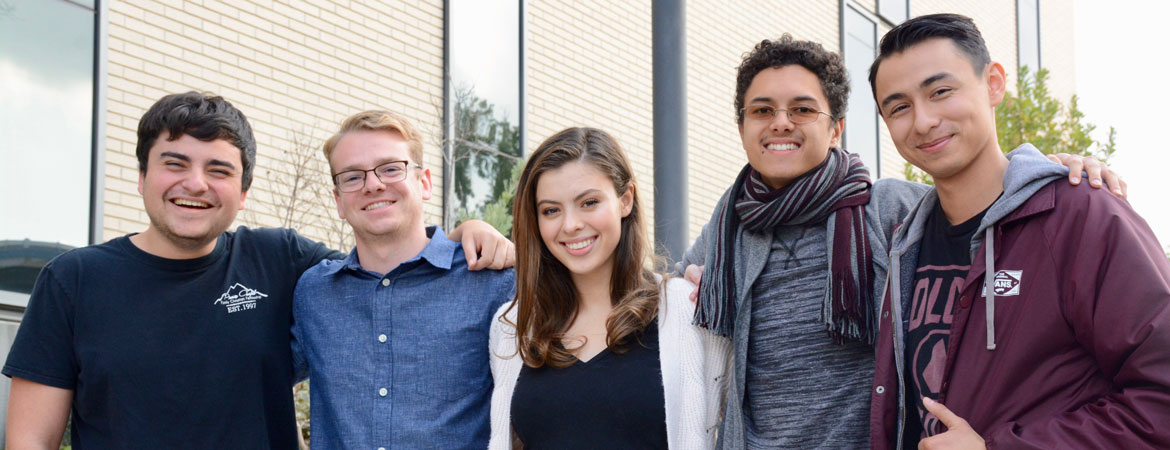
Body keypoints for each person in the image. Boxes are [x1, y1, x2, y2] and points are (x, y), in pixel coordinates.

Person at [678, 36, 1126, 449]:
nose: (780, 123)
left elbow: (988, 201)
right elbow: (648, 304)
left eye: (801, 109)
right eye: (762, 111)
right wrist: (683, 290)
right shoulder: (727, 226)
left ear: (836, 129)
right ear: (742, 128)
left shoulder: (891, 210)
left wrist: (1048, 169)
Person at [2, 92, 512, 449]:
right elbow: (30, 438)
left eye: (219, 170)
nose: (196, 184)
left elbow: (388, 262)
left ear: (242, 192)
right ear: (141, 177)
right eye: (175, 164)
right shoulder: (73, 280)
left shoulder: (281, 262)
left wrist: (466, 231)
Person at [868, 13, 1170, 449]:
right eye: (899, 107)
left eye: (941, 92)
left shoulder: (1081, 214)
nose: (923, 121)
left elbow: (1160, 401)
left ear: (993, 84)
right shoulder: (904, 242)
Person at [488, 127, 731, 449]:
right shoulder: (512, 326)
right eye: (551, 210)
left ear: (625, 200)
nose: (570, 224)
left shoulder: (685, 309)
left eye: (589, 202)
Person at [290, 110, 515, 449]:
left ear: (423, 182)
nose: (373, 184)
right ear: (338, 200)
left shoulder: (490, 280)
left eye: (391, 168)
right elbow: (257, 380)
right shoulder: (314, 293)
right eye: (352, 177)